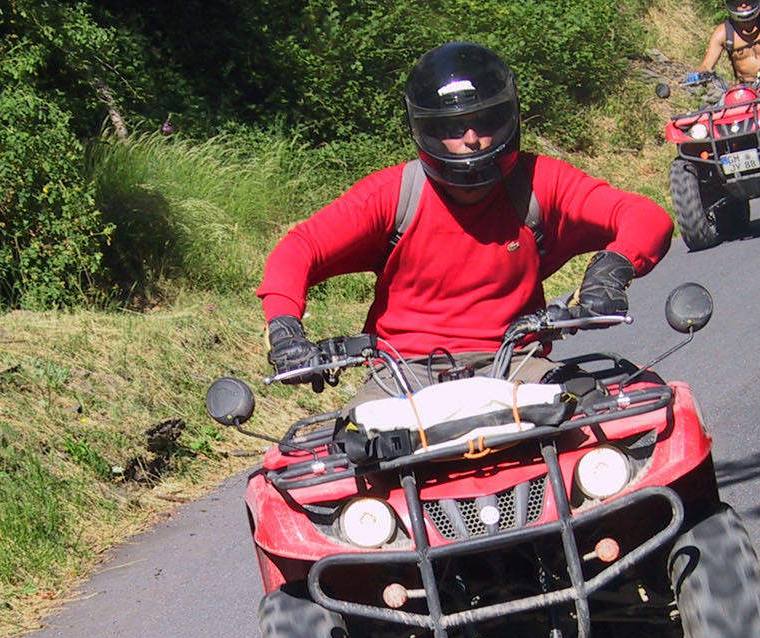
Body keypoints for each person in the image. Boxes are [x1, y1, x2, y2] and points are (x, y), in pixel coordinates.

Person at [258, 42, 674, 409]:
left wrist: (610, 271)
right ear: (427, 130)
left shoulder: (540, 181)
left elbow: (646, 218)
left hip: (516, 363)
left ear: (507, 118)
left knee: (602, 417)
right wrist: (285, 331)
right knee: (352, 453)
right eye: (454, 127)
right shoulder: (393, 194)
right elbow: (298, 249)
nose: (471, 138)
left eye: (485, 121)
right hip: (402, 376)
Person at [686, 1, 760, 96]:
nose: (744, 5)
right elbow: (707, 65)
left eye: (748, 0)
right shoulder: (722, 32)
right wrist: (698, 75)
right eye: (738, 2)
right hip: (743, 88)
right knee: (721, 115)